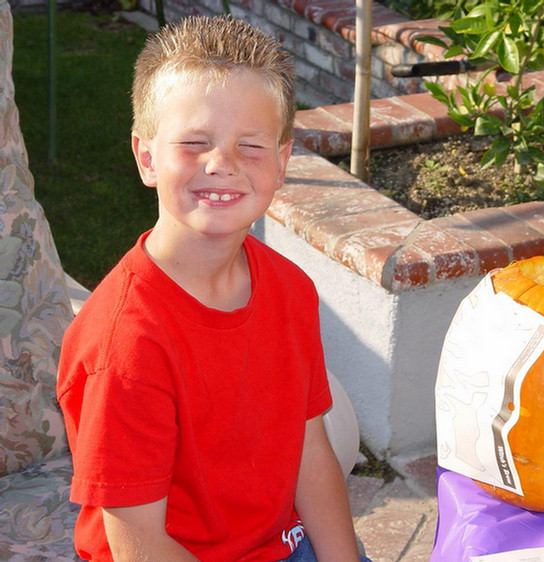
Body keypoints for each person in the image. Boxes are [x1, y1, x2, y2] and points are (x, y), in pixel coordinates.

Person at [57, 15, 366, 562]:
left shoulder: (290, 288)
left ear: (282, 161)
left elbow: (309, 450)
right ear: (147, 156)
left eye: (251, 146)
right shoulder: (124, 346)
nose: (221, 164)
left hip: (278, 545)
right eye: (195, 142)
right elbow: (141, 546)